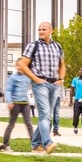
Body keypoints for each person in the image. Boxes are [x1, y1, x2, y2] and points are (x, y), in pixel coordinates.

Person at [18, 24, 65, 154]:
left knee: (47, 115)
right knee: (45, 114)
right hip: (40, 83)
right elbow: (22, 65)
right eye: (39, 29)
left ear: (51, 31)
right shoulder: (33, 45)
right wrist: (35, 79)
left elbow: (62, 65)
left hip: (54, 84)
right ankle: (47, 143)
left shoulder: (58, 46)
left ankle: (35, 144)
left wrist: (61, 79)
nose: (41, 31)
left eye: (44, 29)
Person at [2, 59, 34, 150]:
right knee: (11, 124)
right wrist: (9, 101)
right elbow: (8, 90)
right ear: (16, 66)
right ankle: (5, 144)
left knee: (29, 124)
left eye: (22, 65)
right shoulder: (12, 78)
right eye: (18, 65)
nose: (20, 67)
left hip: (25, 104)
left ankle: (34, 144)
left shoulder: (28, 77)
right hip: (15, 104)